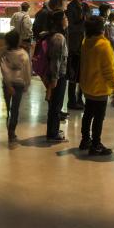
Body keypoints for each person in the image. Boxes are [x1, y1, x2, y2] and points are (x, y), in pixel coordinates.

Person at [79, 16, 114, 156]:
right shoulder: (104, 45)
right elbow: (108, 70)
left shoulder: (86, 42)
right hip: (100, 88)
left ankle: (85, 140)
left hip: (87, 86)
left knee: (88, 114)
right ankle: (96, 144)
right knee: (98, 118)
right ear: (101, 29)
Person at [0, 30, 31, 142]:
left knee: (8, 107)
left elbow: (4, 70)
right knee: (15, 108)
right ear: (18, 41)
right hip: (19, 84)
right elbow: (27, 70)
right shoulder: (24, 54)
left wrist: (8, 85)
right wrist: (27, 84)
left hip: (7, 85)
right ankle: (12, 131)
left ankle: (9, 125)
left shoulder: (4, 54)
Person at [65, 0, 91, 110]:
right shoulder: (71, 7)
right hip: (74, 46)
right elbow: (71, 27)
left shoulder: (86, 6)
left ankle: (80, 98)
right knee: (73, 74)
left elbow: (89, 23)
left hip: (85, 45)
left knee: (82, 75)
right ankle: (71, 100)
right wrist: (83, 22)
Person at [45, 10, 69, 142]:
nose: (67, 20)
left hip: (56, 75)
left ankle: (53, 130)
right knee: (56, 105)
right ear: (60, 21)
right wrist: (54, 78)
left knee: (54, 104)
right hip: (58, 76)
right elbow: (56, 60)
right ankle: (53, 133)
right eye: (65, 17)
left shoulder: (55, 35)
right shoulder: (59, 38)